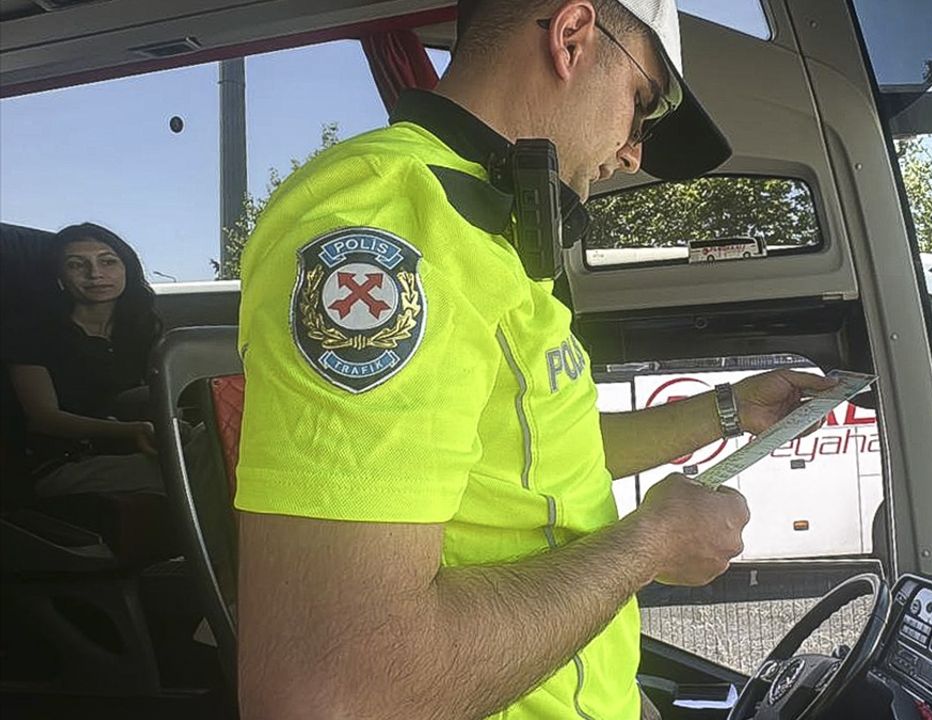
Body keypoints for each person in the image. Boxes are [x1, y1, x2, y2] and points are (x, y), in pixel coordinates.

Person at [233, 1, 837, 718]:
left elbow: (544, 453)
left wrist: (730, 410)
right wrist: (651, 546)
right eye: (643, 104)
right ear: (572, 37)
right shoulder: (392, 223)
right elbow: (335, 688)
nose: (633, 153)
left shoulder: (488, 223)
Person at [5, 223, 165, 499]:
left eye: (107, 261)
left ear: (126, 269)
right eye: (77, 265)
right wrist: (129, 431)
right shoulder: (30, 334)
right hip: (65, 461)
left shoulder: (143, 328)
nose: (95, 274)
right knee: (190, 472)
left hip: (133, 449)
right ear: (58, 277)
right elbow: (44, 418)